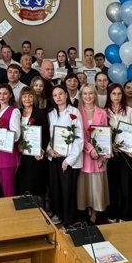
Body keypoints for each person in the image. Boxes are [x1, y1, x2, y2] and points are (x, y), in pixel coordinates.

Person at [46, 85, 83, 226]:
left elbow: (79, 138)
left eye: (61, 94)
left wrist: (70, 159)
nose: (58, 97)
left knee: (68, 190)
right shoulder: (51, 114)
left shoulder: (74, 113)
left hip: (69, 158)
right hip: (54, 156)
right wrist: (49, 150)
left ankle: (69, 220)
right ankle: (59, 214)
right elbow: (47, 136)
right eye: (55, 95)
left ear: (66, 95)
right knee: (55, 188)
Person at [104, 83, 132, 223]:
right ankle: (112, 213)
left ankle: (126, 214)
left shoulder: (129, 111)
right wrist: (110, 145)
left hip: (126, 154)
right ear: (109, 95)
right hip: (111, 155)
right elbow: (100, 133)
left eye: (119, 94)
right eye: (113, 94)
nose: (116, 96)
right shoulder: (104, 111)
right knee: (112, 184)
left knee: (126, 185)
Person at [78, 84, 109, 223]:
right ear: (81, 96)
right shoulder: (76, 113)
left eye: (91, 93)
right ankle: (88, 210)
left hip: (99, 156)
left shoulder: (102, 112)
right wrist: (90, 149)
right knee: (86, 186)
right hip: (84, 155)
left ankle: (95, 213)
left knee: (97, 186)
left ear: (95, 95)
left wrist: (101, 150)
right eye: (85, 94)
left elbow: (105, 134)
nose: (88, 96)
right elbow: (78, 136)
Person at [0, 84, 22, 198]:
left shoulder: (14, 111)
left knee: (8, 188)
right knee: (3, 187)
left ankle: (12, 214)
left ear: (10, 95)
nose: (2, 96)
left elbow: (16, 135)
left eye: (5, 93)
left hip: (8, 155)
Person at [15, 88, 49, 199]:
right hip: (19, 154)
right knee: (21, 182)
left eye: (30, 96)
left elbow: (46, 135)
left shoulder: (41, 113)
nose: (27, 99)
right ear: (20, 98)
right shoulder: (17, 112)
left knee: (35, 183)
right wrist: (17, 144)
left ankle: (37, 208)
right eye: (24, 96)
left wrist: (41, 150)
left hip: (35, 155)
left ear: (34, 98)